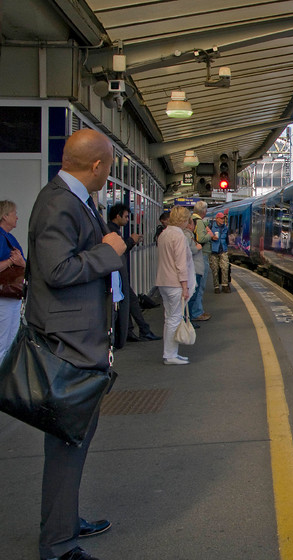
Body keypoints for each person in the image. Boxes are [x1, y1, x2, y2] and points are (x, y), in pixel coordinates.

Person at [26, 128, 127, 560]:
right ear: (97, 166)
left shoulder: (73, 201)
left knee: (73, 441)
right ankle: (58, 546)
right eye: (108, 167)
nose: (108, 176)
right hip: (68, 344)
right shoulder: (59, 204)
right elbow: (56, 270)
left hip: (78, 340)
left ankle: (65, 522)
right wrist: (108, 250)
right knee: (69, 444)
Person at [107, 203, 160, 343]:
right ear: (117, 216)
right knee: (131, 301)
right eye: (125, 216)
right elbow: (118, 251)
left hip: (118, 275)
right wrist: (131, 241)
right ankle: (141, 330)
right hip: (117, 275)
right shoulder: (111, 232)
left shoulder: (114, 230)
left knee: (129, 301)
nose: (127, 219)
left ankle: (131, 330)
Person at [156, 205, 195, 365]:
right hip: (175, 283)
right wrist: (185, 286)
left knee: (169, 318)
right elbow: (181, 263)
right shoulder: (178, 236)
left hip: (164, 282)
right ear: (183, 220)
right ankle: (170, 355)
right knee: (174, 319)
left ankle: (170, 353)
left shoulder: (164, 234)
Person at [0, 200, 26, 361]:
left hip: (13, 295)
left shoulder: (10, 238)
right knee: (3, 341)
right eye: (14, 213)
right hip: (3, 296)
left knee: (10, 341)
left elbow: (23, 263)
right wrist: (11, 262)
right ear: (4, 216)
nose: (17, 217)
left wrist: (20, 262)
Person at [188, 201, 211, 322]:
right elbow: (201, 238)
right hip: (200, 255)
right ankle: (196, 312)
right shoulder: (200, 222)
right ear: (204, 211)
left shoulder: (191, 219)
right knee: (199, 286)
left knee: (195, 286)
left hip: (194, 257)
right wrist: (210, 235)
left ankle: (195, 312)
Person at [209, 211, 230, 293]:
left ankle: (225, 285)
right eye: (221, 218)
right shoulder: (211, 227)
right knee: (215, 269)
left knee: (225, 267)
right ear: (216, 219)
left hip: (223, 250)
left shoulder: (225, 228)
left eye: (223, 218)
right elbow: (207, 237)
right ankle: (216, 286)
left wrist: (226, 248)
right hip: (214, 251)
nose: (223, 220)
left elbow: (227, 239)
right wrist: (212, 237)